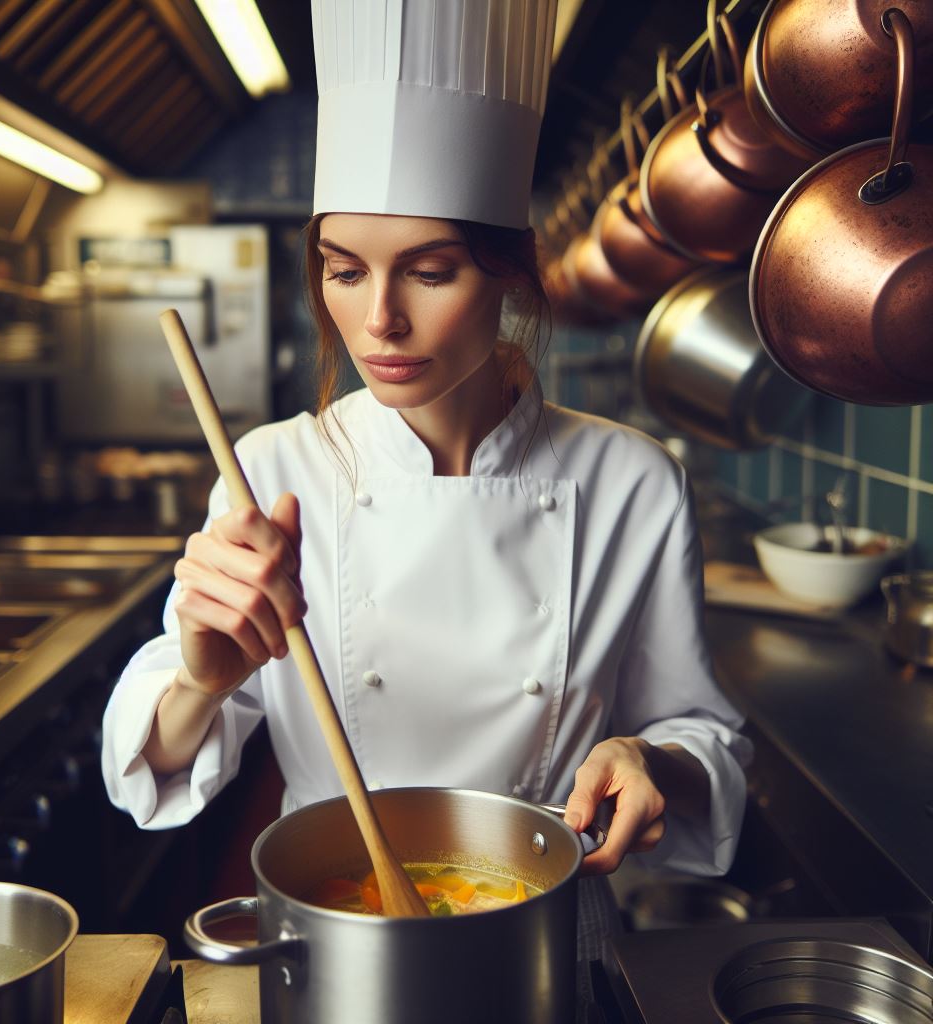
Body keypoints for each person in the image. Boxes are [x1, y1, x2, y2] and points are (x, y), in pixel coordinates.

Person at [103, 0, 750, 982]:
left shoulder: (631, 481)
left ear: (507, 275)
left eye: (431, 270)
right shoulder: (273, 470)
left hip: (546, 942)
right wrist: (200, 678)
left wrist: (650, 760)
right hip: (331, 935)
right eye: (343, 269)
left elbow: (699, 731)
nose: (378, 322)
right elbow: (161, 754)